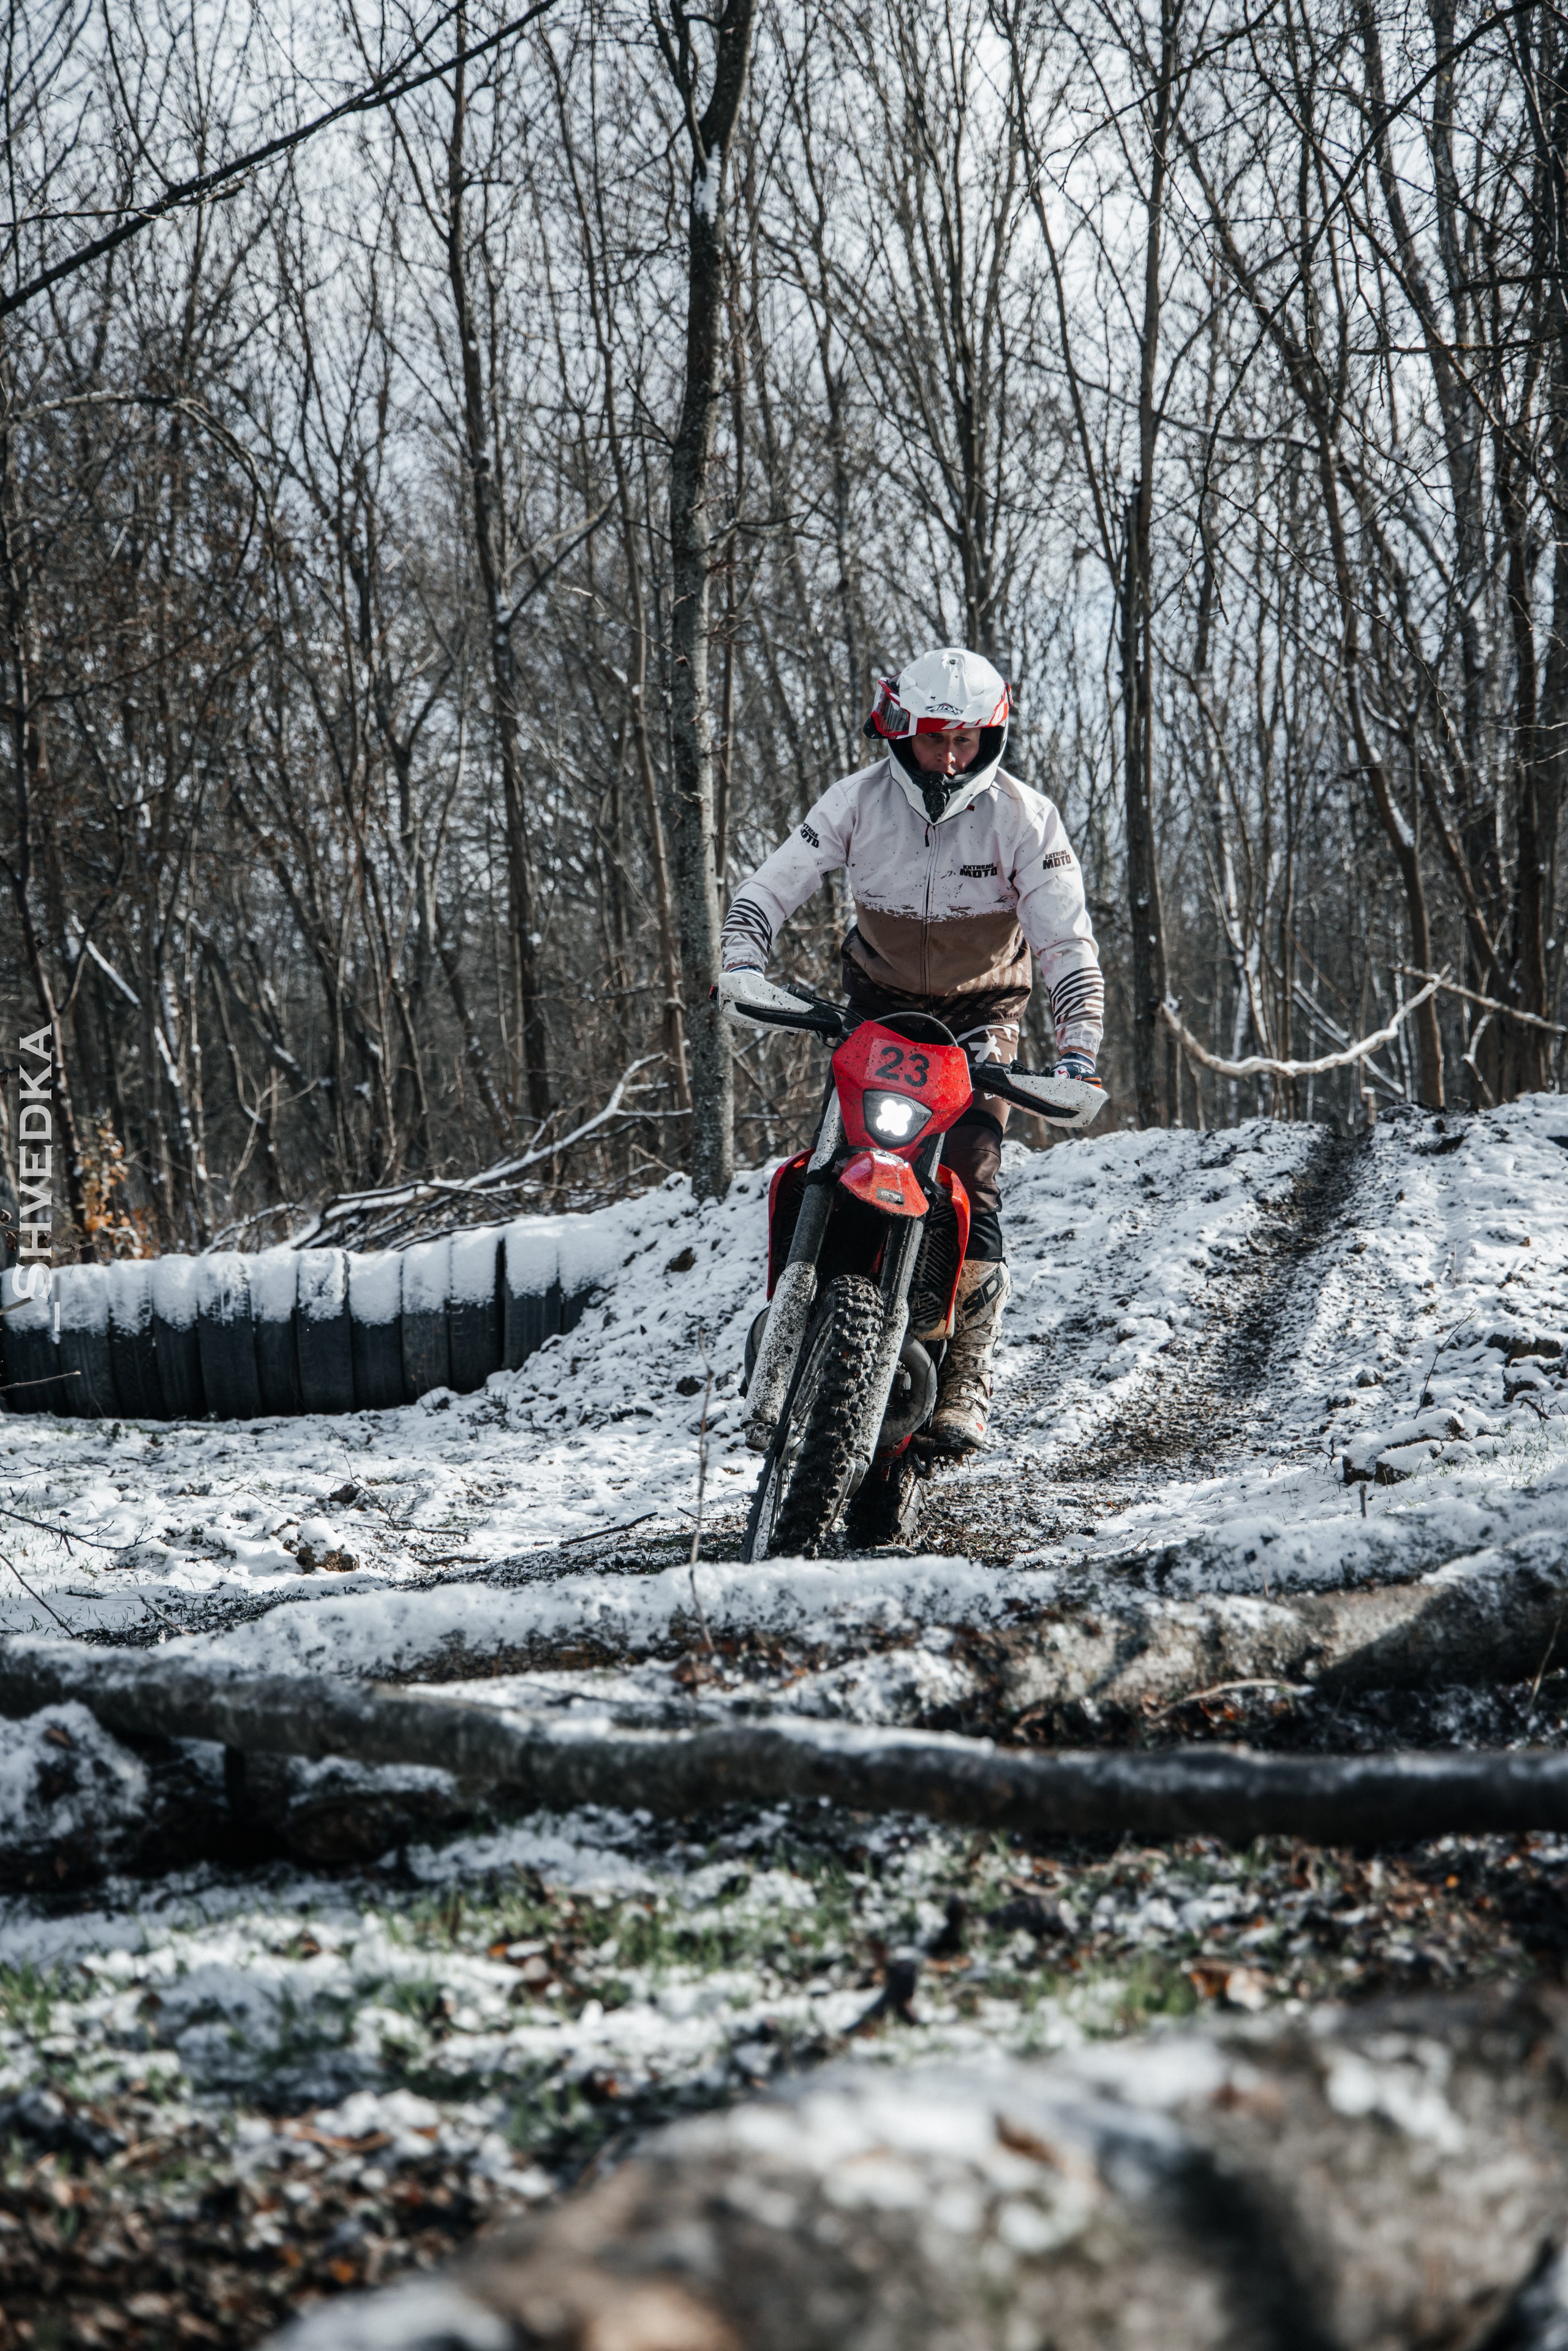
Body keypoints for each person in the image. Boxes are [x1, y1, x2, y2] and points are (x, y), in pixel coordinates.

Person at [719, 644, 1104, 1451]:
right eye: (935, 738)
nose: (951, 757)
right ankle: (788, 1335)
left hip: (981, 1013)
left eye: (967, 740)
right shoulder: (857, 802)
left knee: (973, 1174)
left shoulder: (1025, 818)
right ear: (902, 729)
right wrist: (744, 954)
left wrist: (1077, 1049)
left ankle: (965, 1374)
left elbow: (1066, 942)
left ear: (992, 738)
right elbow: (776, 880)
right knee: (828, 1155)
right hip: (877, 1007)